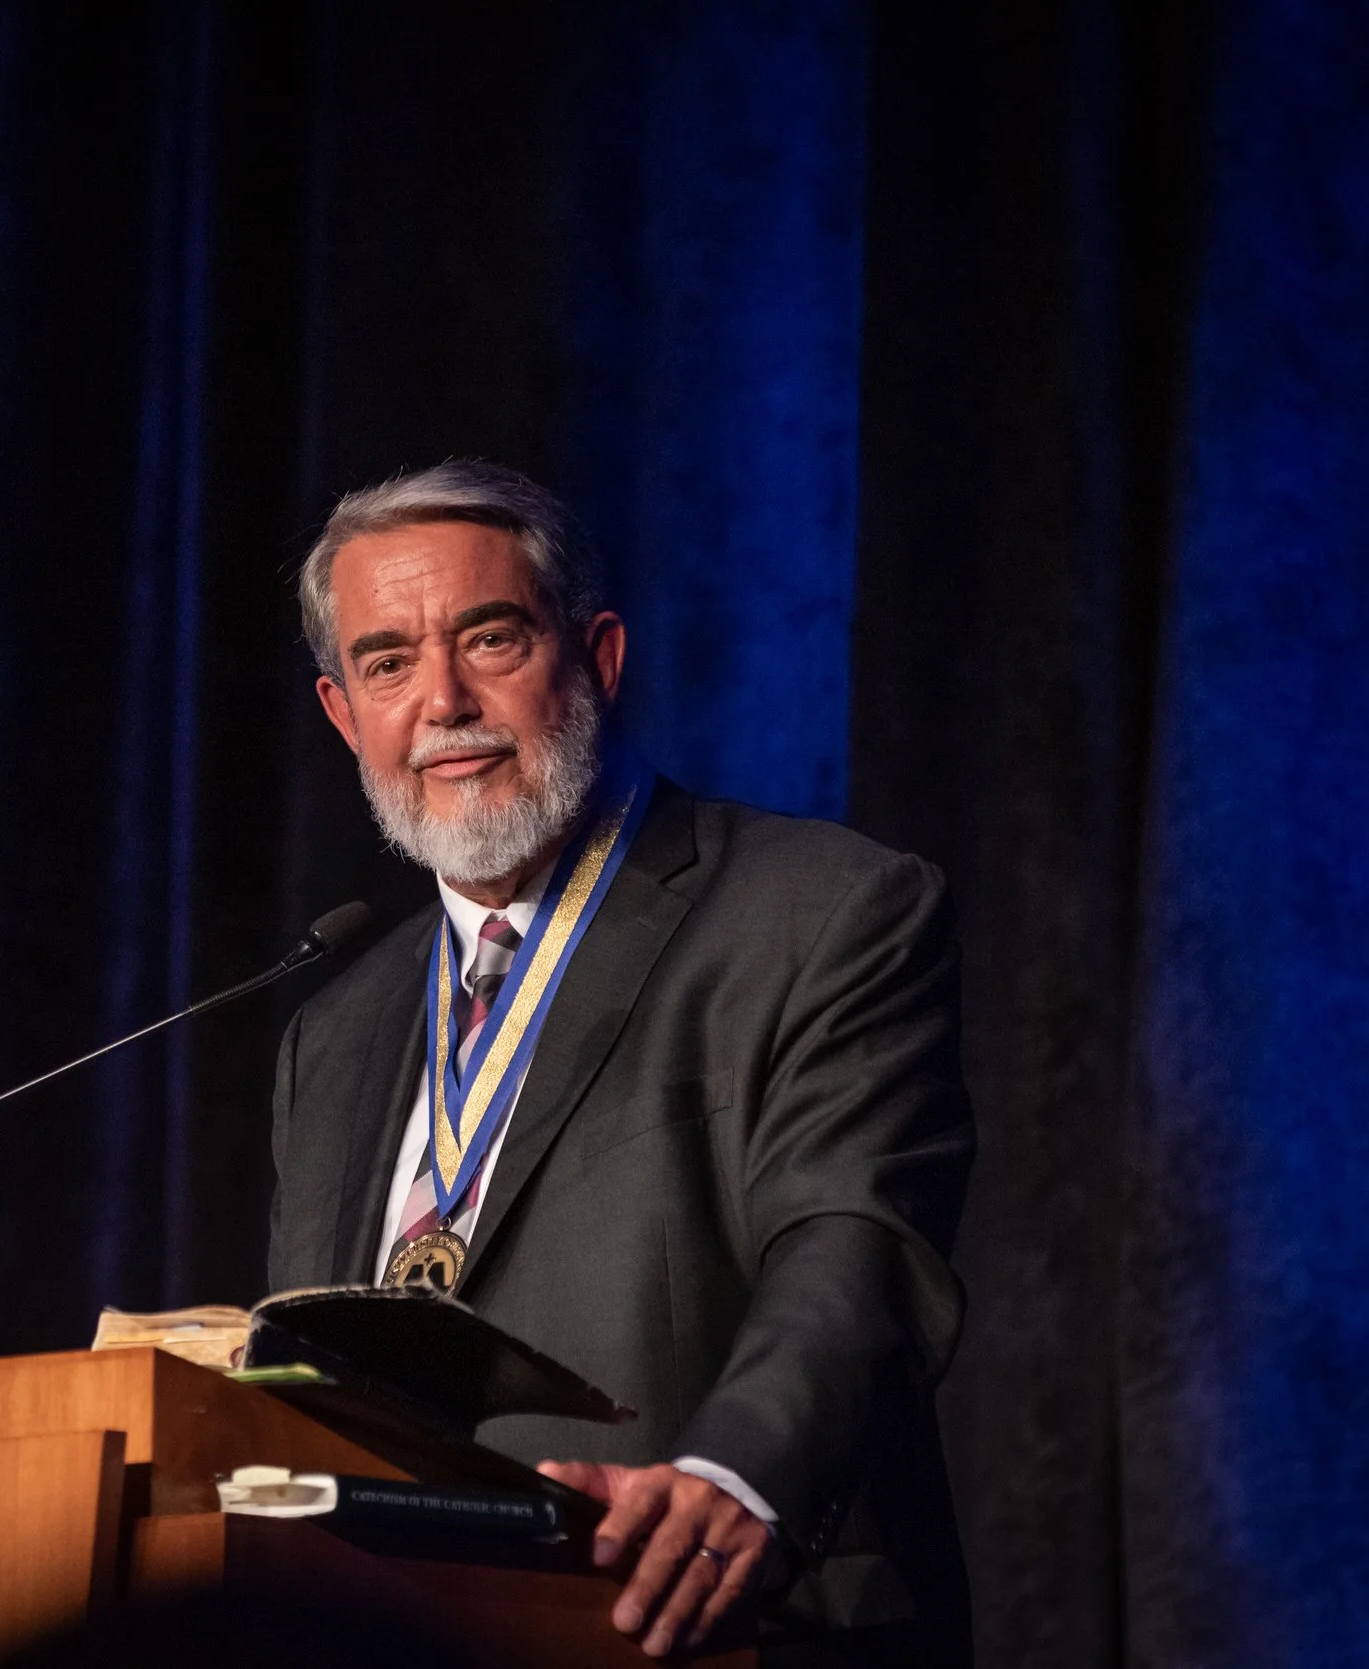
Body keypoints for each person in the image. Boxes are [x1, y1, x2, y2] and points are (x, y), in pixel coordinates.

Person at [266, 462, 975, 1665]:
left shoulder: (820, 911)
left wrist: (735, 1477)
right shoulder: (332, 1032)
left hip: (708, 1624)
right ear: (344, 714)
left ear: (594, 655)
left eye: (488, 639)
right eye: (387, 663)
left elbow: (854, 1243)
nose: (441, 700)